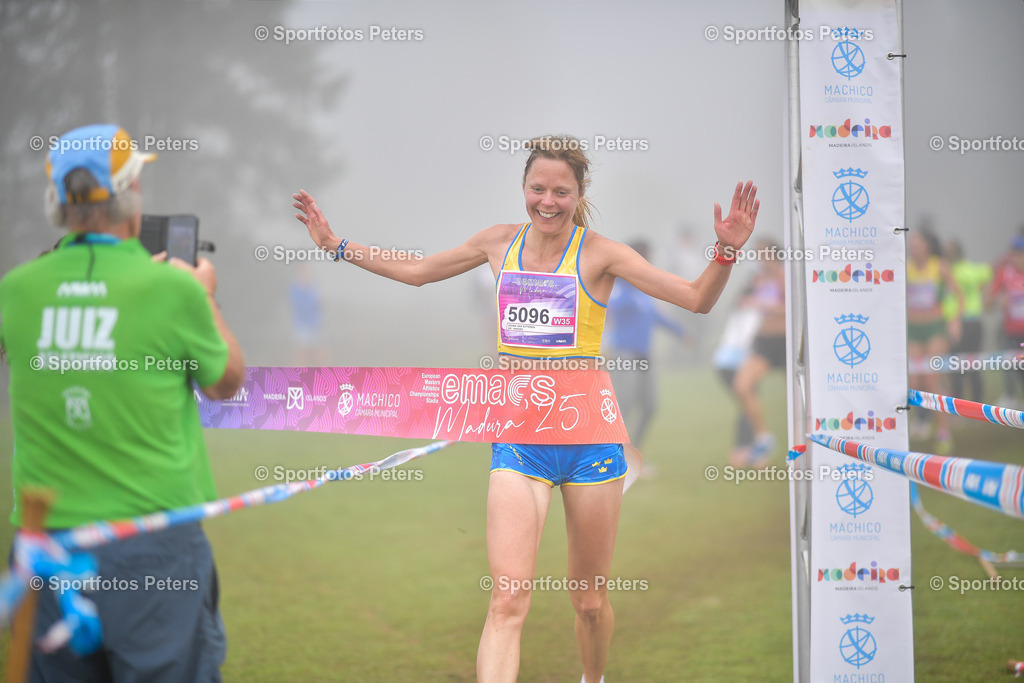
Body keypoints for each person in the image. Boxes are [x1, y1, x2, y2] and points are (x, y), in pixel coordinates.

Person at [293, 135, 759, 683]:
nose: (548, 201)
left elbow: (697, 298)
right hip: (519, 440)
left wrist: (726, 251)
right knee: (507, 600)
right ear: (523, 188)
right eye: (537, 188)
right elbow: (419, 270)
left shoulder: (601, 253)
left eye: (561, 191)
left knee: (588, 602)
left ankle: (594, 677)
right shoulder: (497, 244)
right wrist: (335, 245)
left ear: (579, 192)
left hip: (590, 443)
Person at [0, 124, 245, 681]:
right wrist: (204, 297)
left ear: (57, 204)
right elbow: (226, 382)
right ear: (131, 196)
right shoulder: (174, 290)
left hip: (49, 545)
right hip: (153, 541)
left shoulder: (15, 290)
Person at [605, 238, 686, 457]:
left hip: (644, 353)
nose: (649, 262)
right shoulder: (619, 287)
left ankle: (632, 454)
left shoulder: (643, 290)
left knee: (650, 406)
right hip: (624, 353)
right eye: (646, 257)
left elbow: (655, 316)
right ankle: (614, 456)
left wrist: (681, 332)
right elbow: (608, 309)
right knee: (625, 403)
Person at [906, 228, 962, 453]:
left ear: (927, 246)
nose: (912, 247)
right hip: (914, 329)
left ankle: (943, 432)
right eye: (911, 243)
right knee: (913, 382)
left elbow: (959, 296)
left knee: (932, 379)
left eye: (917, 243)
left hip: (936, 328)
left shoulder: (939, 266)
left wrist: (954, 320)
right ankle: (918, 424)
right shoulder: (905, 268)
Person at [731, 241, 786, 466]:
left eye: (761, 254)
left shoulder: (785, 276)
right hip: (763, 342)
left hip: (785, 341)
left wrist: (760, 303)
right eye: (756, 255)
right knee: (742, 386)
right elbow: (742, 302)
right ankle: (764, 436)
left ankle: (807, 445)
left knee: (797, 398)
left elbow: (793, 308)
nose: (758, 259)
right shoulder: (759, 279)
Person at [942, 240, 991, 403]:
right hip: (974, 320)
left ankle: (959, 406)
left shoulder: (947, 271)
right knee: (973, 366)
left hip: (957, 322)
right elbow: (987, 274)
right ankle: (977, 406)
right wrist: (977, 292)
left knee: (956, 367)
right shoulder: (974, 268)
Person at [986, 234, 1024, 409]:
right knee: (1010, 364)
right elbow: (987, 304)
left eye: (1020, 253)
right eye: (1014, 254)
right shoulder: (1005, 273)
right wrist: (999, 301)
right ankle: (1011, 397)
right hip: (1011, 332)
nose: (1017, 258)